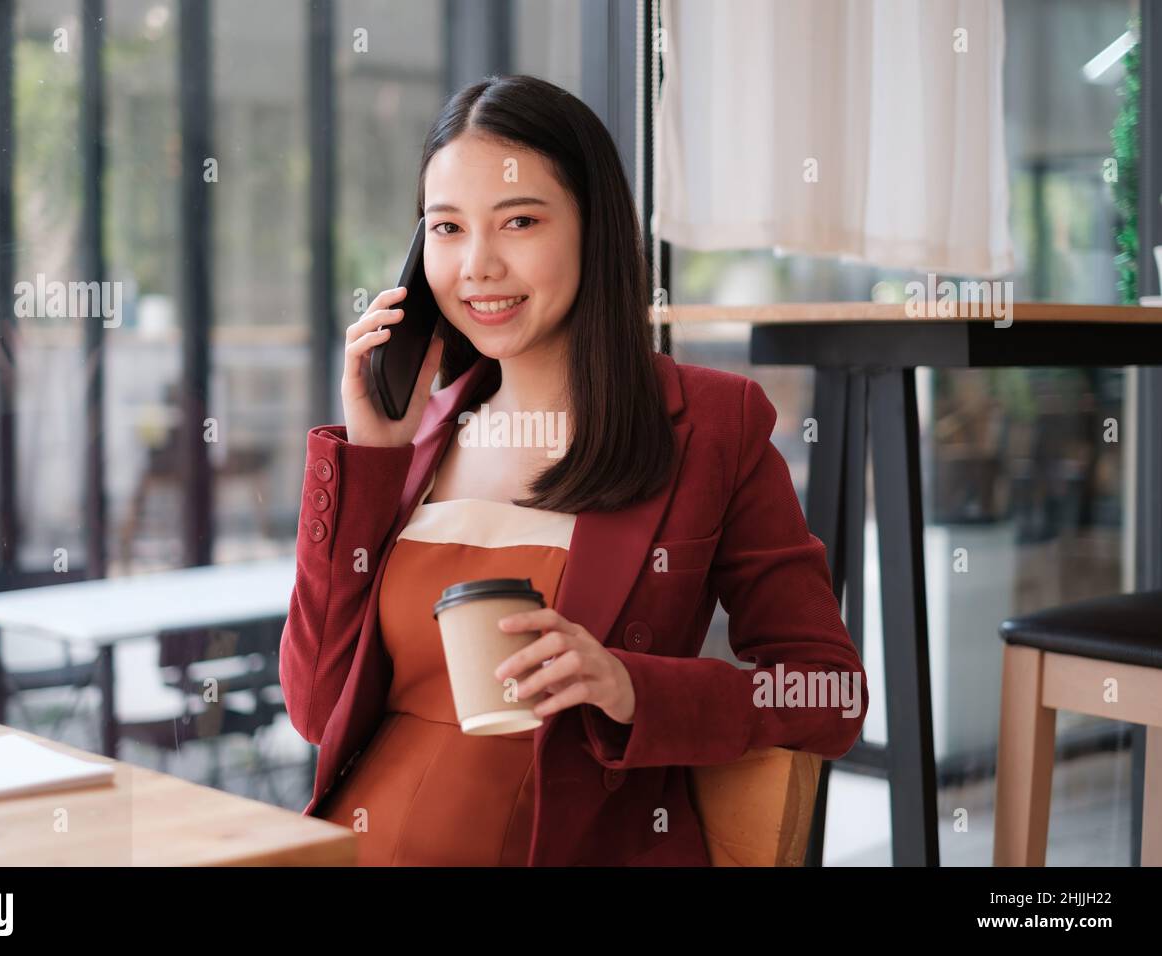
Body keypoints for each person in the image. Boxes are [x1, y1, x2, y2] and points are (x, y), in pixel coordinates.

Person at [279, 73, 868, 866]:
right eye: (447, 229)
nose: (477, 266)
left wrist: (630, 687)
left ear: (593, 229)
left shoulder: (711, 429)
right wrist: (369, 465)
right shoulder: (413, 444)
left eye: (518, 221)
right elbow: (317, 710)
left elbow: (829, 694)